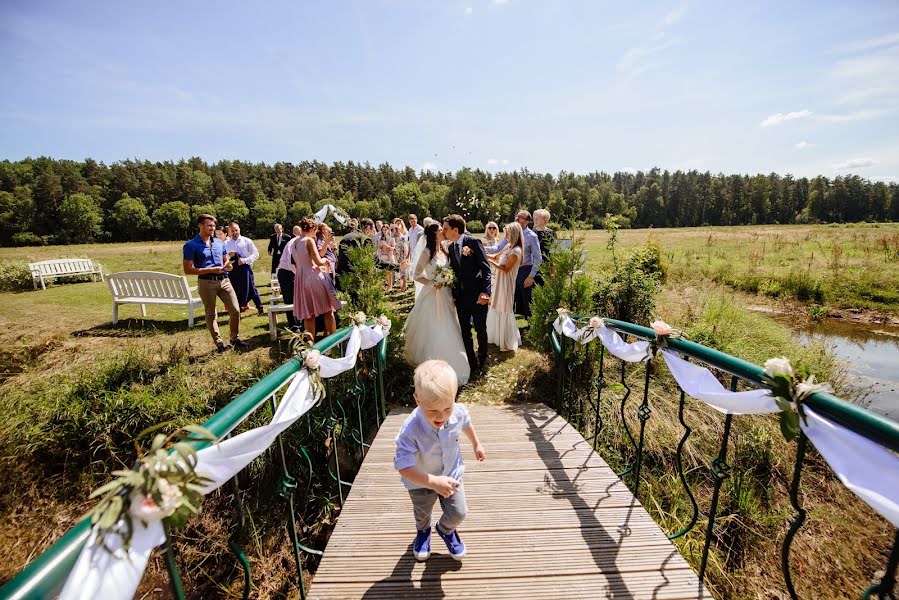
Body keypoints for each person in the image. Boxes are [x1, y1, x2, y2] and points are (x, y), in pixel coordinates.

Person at [394, 359, 485, 562]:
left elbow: (466, 423)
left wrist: (476, 443)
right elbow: (403, 466)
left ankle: (445, 529)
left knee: (459, 512)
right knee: (422, 512)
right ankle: (423, 532)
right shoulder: (410, 429)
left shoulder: (457, 411)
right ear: (417, 400)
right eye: (432, 411)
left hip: (451, 474)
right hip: (420, 482)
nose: (441, 416)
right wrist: (432, 482)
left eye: (447, 408)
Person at [404, 223, 471, 385]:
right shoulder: (428, 252)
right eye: (441, 230)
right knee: (435, 325)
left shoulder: (445, 248)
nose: (444, 231)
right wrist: (433, 282)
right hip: (433, 294)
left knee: (450, 323)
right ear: (434, 234)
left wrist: (447, 279)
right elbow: (416, 274)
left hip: (446, 294)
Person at [182, 214, 246, 352]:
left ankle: (234, 339)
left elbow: (225, 262)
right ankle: (219, 343)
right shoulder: (190, 245)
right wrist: (211, 269)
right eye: (209, 225)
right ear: (200, 226)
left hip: (224, 280)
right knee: (211, 314)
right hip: (206, 283)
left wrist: (228, 266)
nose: (212, 228)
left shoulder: (219, 243)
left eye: (213, 226)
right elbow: (187, 270)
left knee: (235, 310)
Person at [442, 214, 492, 375]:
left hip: (478, 295)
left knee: (480, 329)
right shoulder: (450, 247)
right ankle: (471, 362)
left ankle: (483, 359)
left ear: (455, 230)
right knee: (465, 331)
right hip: (461, 298)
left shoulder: (473, 242)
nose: (443, 232)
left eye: (446, 229)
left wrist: (485, 292)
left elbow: (486, 269)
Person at [290, 217, 341, 338]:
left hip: (301, 278)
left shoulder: (295, 242)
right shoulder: (309, 240)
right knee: (328, 310)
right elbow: (318, 261)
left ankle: (310, 344)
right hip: (313, 277)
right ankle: (333, 340)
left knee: (309, 315)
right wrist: (326, 260)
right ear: (312, 229)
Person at [487, 210, 541, 318]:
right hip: (511, 272)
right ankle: (508, 324)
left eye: (520, 217)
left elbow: (538, 258)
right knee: (510, 299)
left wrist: (531, 276)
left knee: (527, 301)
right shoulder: (511, 233)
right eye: (517, 215)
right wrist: (481, 248)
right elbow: (498, 248)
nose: (517, 218)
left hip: (524, 271)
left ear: (527, 221)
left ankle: (531, 327)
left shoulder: (532, 236)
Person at [486, 223, 523, 352]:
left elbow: (506, 269)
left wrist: (491, 263)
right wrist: (481, 253)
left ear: (513, 233)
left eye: (507, 232)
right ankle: (497, 338)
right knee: (497, 306)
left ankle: (507, 340)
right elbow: (495, 256)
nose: (505, 235)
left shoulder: (516, 250)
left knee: (505, 308)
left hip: (507, 282)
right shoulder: (508, 246)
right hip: (499, 281)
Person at [225, 222, 264, 316]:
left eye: (236, 230)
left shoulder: (247, 241)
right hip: (233, 270)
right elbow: (224, 256)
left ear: (239, 230)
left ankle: (260, 308)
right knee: (234, 290)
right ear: (229, 232)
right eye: (232, 231)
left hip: (245, 268)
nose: (234, 233)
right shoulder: (225, 243)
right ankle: (237, 310)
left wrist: (245, 260)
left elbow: (256, 254)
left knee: (251, 288)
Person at [336, 218, 375, 293]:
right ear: (368, 228)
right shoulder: (366, 240)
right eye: (372, 228)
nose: (373, 231)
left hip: (341, 277)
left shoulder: (347, 236)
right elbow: (375, 261)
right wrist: (397, 267)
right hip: (356, 280)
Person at [276, 232, 302, 331]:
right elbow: (290, 263)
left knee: (298, 299)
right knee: (289, 300)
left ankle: (299, 322)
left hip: (294, 272)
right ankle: (293, 325)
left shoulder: (301, 241)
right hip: (286, 273)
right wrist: (300, 274)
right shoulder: (294, 243)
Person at [532, 208, 556, 284]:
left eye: (537, 218)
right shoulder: (530, 233)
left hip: (547, 267)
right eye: (534, 218)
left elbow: (555, 253)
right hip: (533, 268)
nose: (534, 220)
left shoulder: (551, 233)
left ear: (544, 220)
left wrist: (552, 271)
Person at [393, 218, 410, 292]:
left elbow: (409, 243)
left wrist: (409, 253)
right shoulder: (393, 233)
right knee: (399, 269)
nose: (398, 224)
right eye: (397, 223)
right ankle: (402, 284)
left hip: (404, 251)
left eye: (399, 223)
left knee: (405, 268)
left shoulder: (406, 232)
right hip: (397, 253)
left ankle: (404, 285)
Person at [379, 224, 397, 290]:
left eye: (386, 229)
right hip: (383, 256)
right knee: (385, 272)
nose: (384, 231)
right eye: (383, 230)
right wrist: (381, 245)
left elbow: (394, 248)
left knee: (390, 271)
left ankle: (390, 286)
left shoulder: (392, 238)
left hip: (390, 256)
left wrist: (388, 247)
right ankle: (388, 285)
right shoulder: (381, 238)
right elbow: (380, 248)